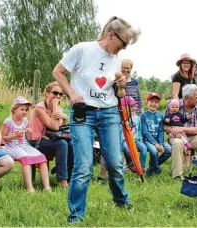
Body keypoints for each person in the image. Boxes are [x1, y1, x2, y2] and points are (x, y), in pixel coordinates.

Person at [52, 16, 140, 222]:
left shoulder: (116, 58)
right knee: (83, 166)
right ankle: (76, 216)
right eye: (123, 43)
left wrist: (120, 84)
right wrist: (71, 94)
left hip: (109, 113)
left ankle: (121, 201)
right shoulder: (82, 49)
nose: (124, 49)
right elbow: (58, 72)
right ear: (111, 35)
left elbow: (116, 92)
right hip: (84, 113)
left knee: (115, 163)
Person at [1, 96, 51, 193]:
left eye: (26, 110)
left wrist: (29, 133)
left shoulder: (25, 121)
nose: (25, 112)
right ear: (14, 110)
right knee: (26, 159)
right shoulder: (8, 121)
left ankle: (47, 187)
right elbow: (2, 138)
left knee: (42, 157)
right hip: (12, 146)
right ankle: (30, 188)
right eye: (22, 109)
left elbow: (27, 139)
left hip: (24, 146)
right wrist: (14, 136)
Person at [164, 84, 197, 179]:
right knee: (178, 143)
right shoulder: (174, 105)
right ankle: (177, 175)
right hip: (176, 137)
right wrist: (174, 130)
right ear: (187, 98)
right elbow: (164, 126)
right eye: (196, 97)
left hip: (193, 137)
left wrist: (181, 129)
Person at [28, 82, 71, 188]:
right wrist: (56, 107)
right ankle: (62, 180)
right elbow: (55, 126)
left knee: (71, 144)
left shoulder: (57, 109)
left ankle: (69, 177)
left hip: (49, 139)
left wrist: (64, 118)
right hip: (35, 142)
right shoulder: (39, 109)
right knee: (62, 144)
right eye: (55, 93)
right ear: (47, 93)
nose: (58, 96)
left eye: (60, 94)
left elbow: (61, 127)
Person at [141, 93, 172, 176]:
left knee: (169, 150)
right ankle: (157, 169)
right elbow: (145, 132)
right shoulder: (143, 116)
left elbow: (161, 131)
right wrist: (155, 144)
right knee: (154, 151)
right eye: (151, 101)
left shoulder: (161, 116)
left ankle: (152, 166)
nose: (153, 104)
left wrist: (161, 144)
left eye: (156, 102)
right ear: (147, 102)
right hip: (147, 140)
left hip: (158, 140)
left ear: (159, 104)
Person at [120, 96, 147, 172]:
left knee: (144, 148)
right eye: (131, 106)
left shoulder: (137, 118)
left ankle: (141, 168)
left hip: (135, 140)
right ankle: (129, 165)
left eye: (134, 106)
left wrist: (140, 139)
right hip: (125, 140)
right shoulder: (121, 119)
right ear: (124, 108)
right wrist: (123, 140)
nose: (134, 108)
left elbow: (138, 130)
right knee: (126, 148)